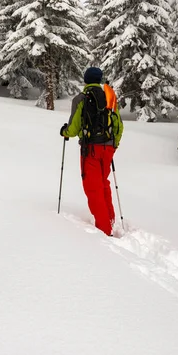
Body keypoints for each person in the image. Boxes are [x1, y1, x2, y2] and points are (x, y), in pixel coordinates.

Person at [60, 67, 123, 237]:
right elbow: (118, 125)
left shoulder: (80, 99)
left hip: (91, 149)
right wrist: (114, 145)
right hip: (108, 148)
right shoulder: (109, 97)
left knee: (93, 187)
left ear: (86, 80)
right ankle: (110, 219)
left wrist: (64, 132)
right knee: (103, 182)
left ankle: (105, 230)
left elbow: (73, 129)